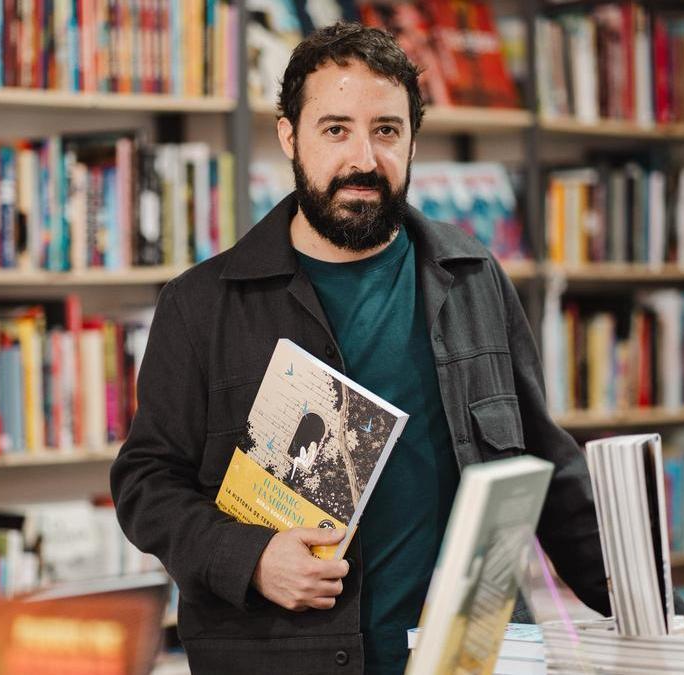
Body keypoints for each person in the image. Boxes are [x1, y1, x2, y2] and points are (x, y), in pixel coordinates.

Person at [110, 22, 609, 675]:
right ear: (290, 135)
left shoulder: (473, 278)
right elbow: (145, 483)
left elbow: (553, 472)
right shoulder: (202, 305)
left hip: (471, 656)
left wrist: (677, 620)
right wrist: (251, 558)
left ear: (411, 138)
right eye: (336, 129)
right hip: (281, 659)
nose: (364, 161)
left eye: (387, 131)